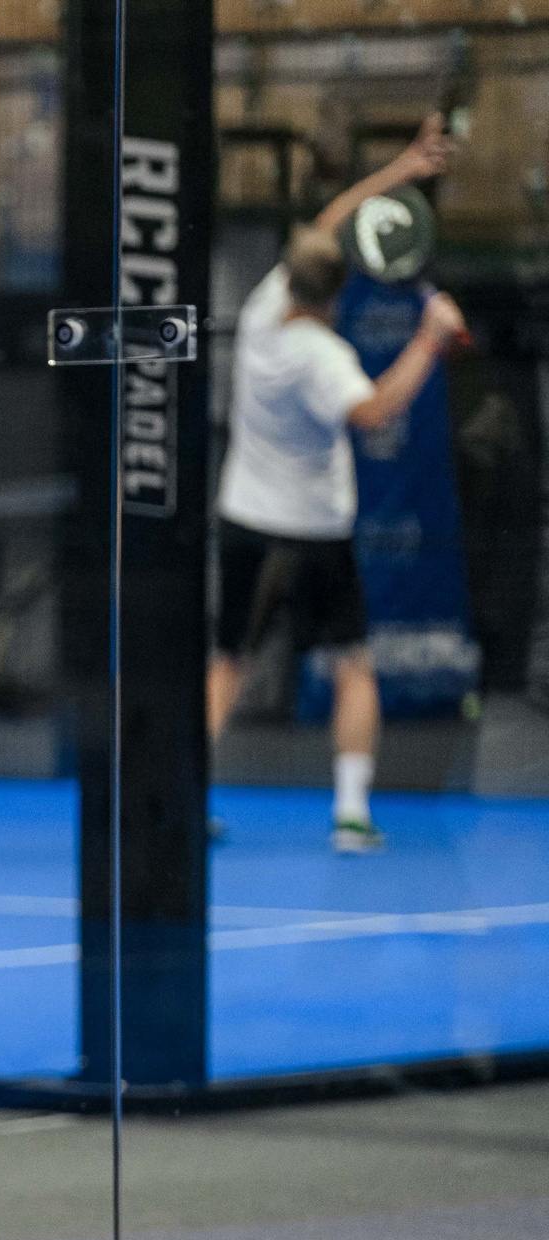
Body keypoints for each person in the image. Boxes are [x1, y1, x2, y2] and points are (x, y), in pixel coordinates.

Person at [211, 116, 464, 853]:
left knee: (227, 664)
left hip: (246, 521)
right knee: (354, 666)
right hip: (314, 535)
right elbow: (375, 411)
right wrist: (429, 339)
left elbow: (330, 222)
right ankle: (351, 815)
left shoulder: (261, 310)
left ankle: (183, 800)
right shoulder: (322, 359)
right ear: (339, 290)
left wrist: (404, 169)